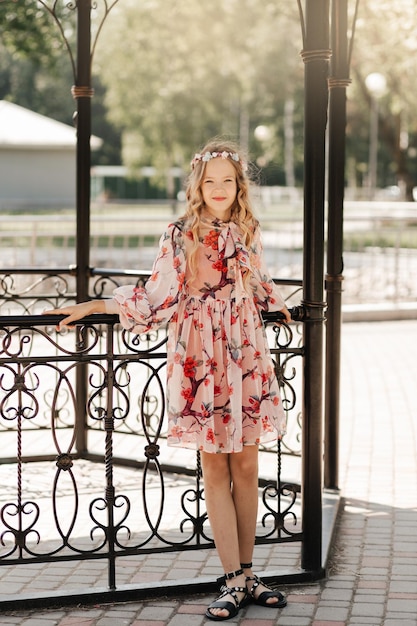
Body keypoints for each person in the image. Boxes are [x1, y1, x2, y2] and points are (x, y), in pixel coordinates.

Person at [45, 139, 291, 621]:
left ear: (239, 186)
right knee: (215, 469)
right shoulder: (180, 234)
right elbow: (158, 295)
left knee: (246, 468)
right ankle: (231, 581)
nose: (218, 188)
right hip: (201, 356)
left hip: (244, 354)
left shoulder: (248, 229)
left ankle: (250, 574)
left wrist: (275, 301)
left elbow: (257, 283)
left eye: (227, 180)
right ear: (197, 185)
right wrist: (98, 306)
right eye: (209, 180)